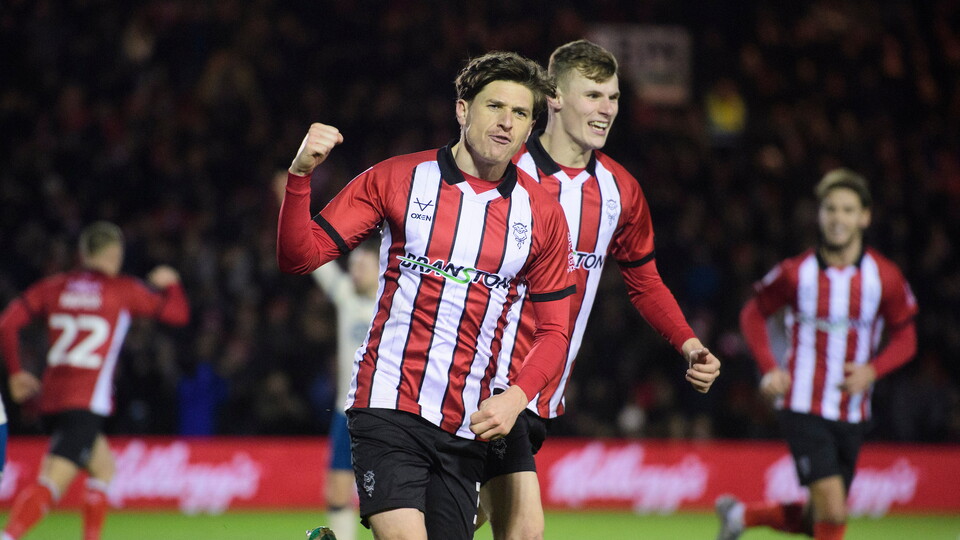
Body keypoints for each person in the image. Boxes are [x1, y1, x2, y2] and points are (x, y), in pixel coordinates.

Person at [277, 51, 574, 540]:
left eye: (520, 113)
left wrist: (516, 398)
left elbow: (555, 331)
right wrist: (300, 177)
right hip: (387, 401)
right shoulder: (396, 178)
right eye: (494, 106)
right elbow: (299, 257)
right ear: (462, 110)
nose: (506, 123)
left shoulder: (541, 214)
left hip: (468, 421)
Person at [478, 39, 722, 540]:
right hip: (483, 378)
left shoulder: (620, 191)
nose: (607, 109)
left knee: (463, 518)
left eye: (612, 98)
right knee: (523, 529)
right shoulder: (504, 170)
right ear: (555, 98)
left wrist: (689, 343)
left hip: (542, 391)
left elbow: (644, 282)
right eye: (593, 95)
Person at [715, 168, 918, 540]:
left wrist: (873, 370)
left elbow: (907, 337)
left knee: (818, 517)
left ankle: (740, 516)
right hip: (802, 403)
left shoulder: (884, 277)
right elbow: (752, 313)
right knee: (834, 508)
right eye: (830, 209)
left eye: (847, 209)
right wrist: (769, 368)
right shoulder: (797, 273)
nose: (838, 218)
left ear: (864, 216)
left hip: (852, 410)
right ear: (820, 215)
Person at [0, 221, 189, 540]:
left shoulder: (53, 287)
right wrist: (172, 284)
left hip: (51, 400)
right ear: (115, 254)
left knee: (104, 469)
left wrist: (17, 372)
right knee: (51, 484)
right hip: (86, 402)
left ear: (83, 254)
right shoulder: (122, 290)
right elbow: (177, 315)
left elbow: (6, 324)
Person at [312, 237, 380, 539]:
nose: (355, 272)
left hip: (383, 412)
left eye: (363, 265)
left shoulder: (395, 301)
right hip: (346, 411)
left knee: (388, 497)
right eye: (352, 266)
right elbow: (316, 262)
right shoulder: (346, 297)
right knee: (337, 491)